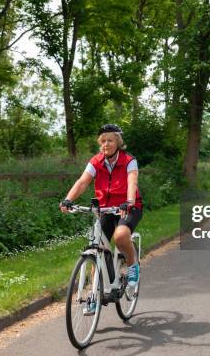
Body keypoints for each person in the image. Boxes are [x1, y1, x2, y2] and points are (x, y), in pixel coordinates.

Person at [60, 124, 142, 312]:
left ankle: (133, 266)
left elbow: (132, 181)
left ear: (118, 142)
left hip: (127, 208)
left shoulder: (129, 160)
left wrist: (128, 202)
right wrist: (68, 199)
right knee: (96, 247)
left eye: (110, 140)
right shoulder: (96, 161)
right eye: (103, 141)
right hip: (105, 209)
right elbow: (82, 182)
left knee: (121, 236)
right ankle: (93, 296)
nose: (106, 144)